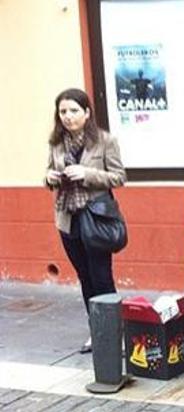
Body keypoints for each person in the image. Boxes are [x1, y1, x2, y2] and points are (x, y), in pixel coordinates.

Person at [45, 88, 126, 354]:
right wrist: (50, 177)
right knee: (85, 278)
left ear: (87, 112)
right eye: (63, 112)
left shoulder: (104, 140)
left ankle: (116, 334)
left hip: (96, 217)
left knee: (101, 276)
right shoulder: (56, 143)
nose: (68, 117)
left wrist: (86, 173)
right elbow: (46, 174)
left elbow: (118, 177)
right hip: (68, 219)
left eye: (73, 111)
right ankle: (97, 331)